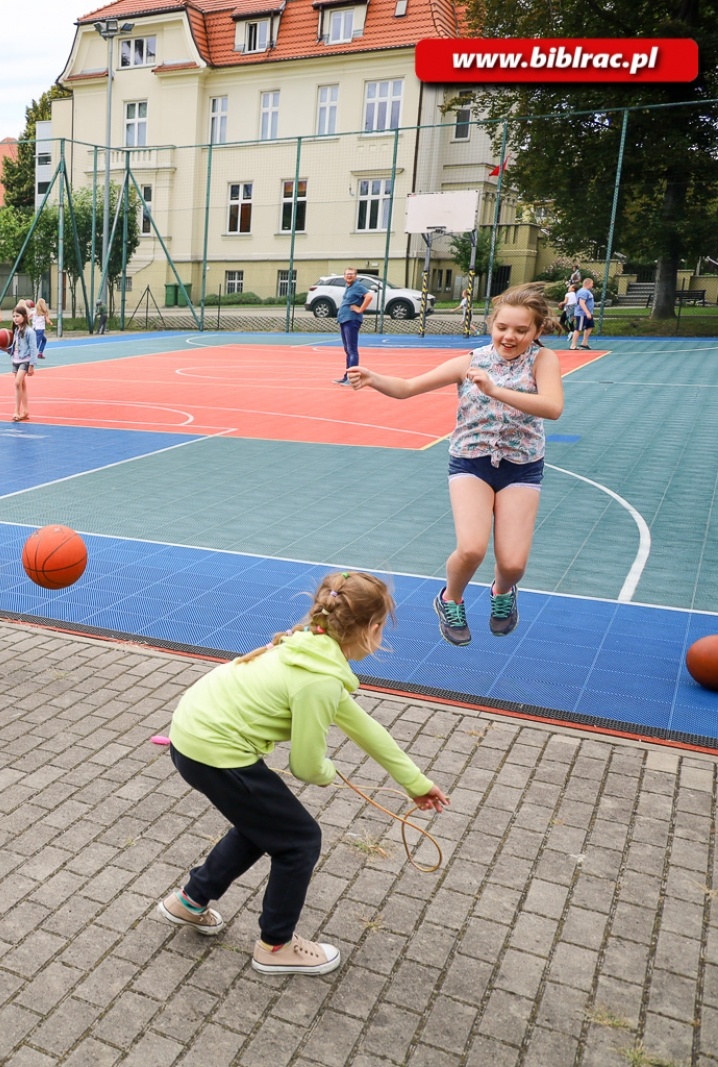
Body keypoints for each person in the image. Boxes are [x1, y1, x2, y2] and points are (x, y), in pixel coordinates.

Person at [158, 572, 448, 973]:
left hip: (191, 738)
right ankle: (275, 947)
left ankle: (189, 902)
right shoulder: (320, 679)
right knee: (299, 840)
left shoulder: (307, 648)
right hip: (215, 751)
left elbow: (364, 727)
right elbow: (307, 767)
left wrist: (416, 783)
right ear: (372, 629)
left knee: (263, 824)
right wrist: (329, 771)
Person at [349, 284, 564, 646]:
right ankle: (451, 598)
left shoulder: (543, 361)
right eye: (502, 327)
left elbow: (553, 408)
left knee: (513, 565)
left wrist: (495, 390)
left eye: (521, 330)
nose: (509, 336)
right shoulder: (470, 362)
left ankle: (502, 592)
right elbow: (407, 387)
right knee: (472, 549)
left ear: (537, 331)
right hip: (472, 462)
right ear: (491, 325)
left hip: (522, 466)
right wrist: (375, 380)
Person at [334, 268, 374, 385]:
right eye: (347, 274)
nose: (349, 276)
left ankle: (352, 379)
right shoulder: (349, 287)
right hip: (344, 320)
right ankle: (347, 376)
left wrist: (360, 309)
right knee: (348, 350)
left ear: (355, 276)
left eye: (351, 274)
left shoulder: (358, 286)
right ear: (344, 276)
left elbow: (369, 296)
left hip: (352, 320)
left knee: (352, 350)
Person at [9, 304, 37, 422]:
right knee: (22, 386)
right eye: (14, 316)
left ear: (24, 317)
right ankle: (25, 411)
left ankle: (16, 411)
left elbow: (33, 348)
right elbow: (14, 347)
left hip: (24, 361)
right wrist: (4, 347)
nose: (15, 318)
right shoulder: (16, 330)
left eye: (18, 316)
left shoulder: (30, 331)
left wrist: (31, 365)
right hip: (15, 360)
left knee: (17, 383)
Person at [570, 278, 596, 350]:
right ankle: (573, 345)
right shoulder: (583, 292)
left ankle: (584, 343)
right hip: (582, 314)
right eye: (592, 283)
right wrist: (587, 312)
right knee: (578, 328)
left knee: (589, 326)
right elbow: (582, 303)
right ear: (588, 283)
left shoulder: (587, 292)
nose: (592, 285)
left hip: (588, 314)